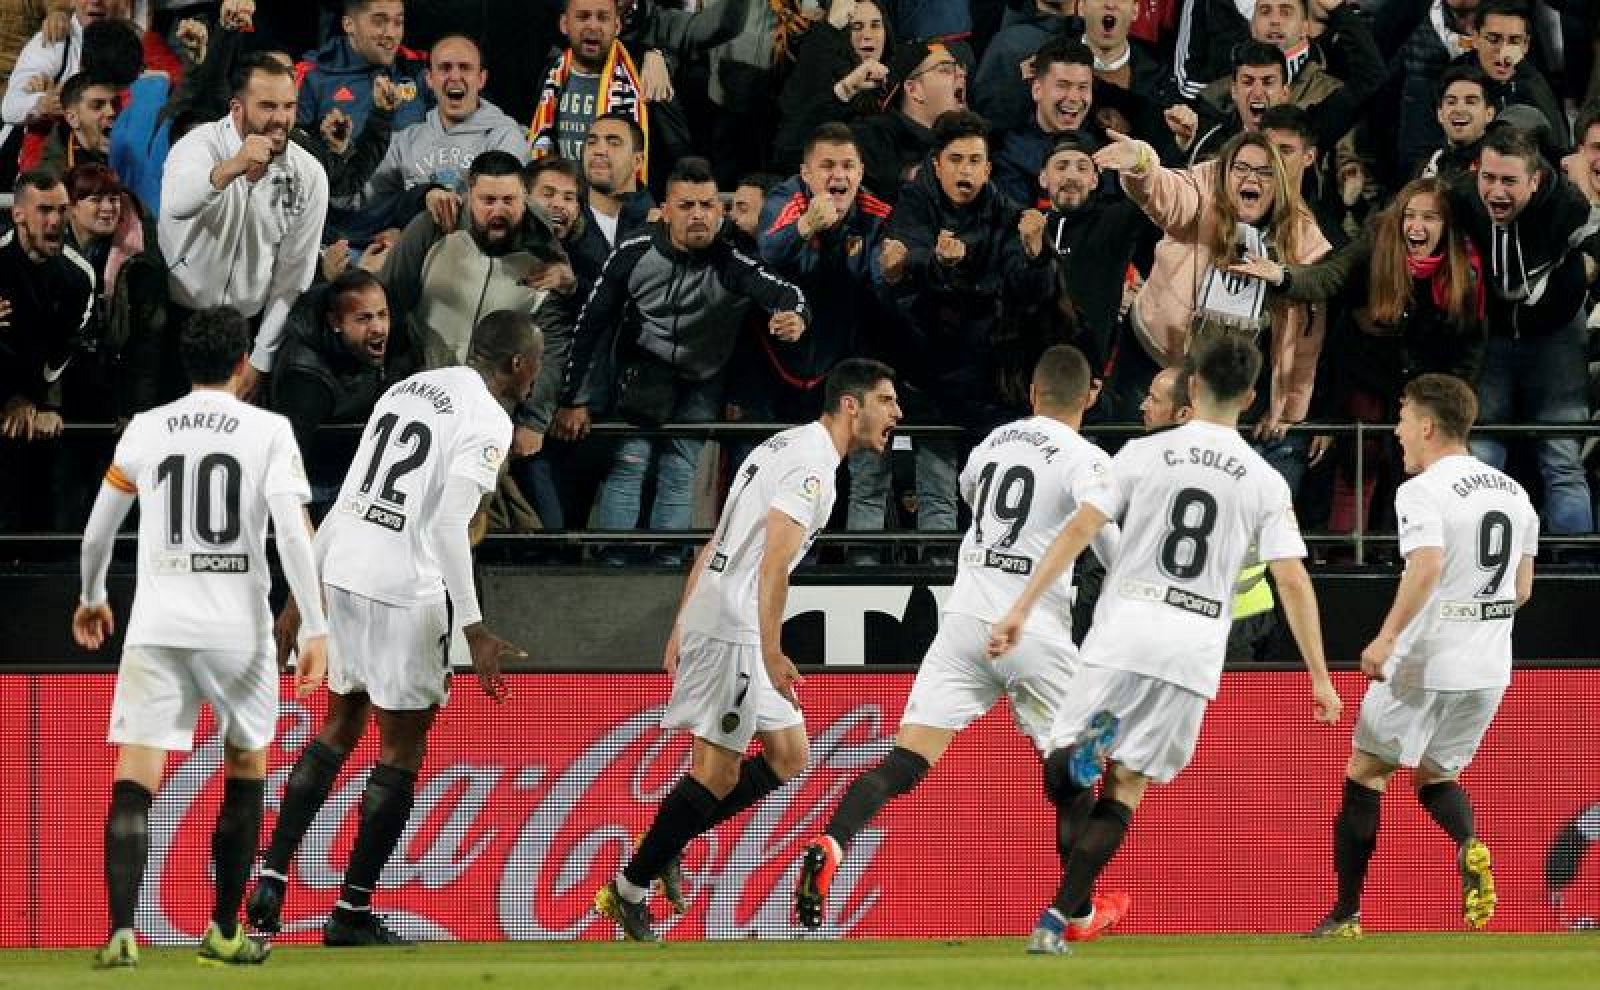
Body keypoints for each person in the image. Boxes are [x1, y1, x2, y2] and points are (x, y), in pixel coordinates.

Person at [987, 334, 1342, 956]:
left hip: (1124, 629)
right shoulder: (1264, 480)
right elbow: (1291, 578)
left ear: (1194, 387)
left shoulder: (1141, 455)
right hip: (1195, 645)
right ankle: (1054, 922)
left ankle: (1077, 763)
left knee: (1064, 775)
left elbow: (1080, 528)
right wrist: (1319, 675)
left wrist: (1020, 607)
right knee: (1127, 788)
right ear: (1252, 397)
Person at [793, 345, 1130, 943]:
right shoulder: (1086, 456)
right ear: (1089, 397)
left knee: (907, 759)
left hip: (964, 620)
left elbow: (977, 498)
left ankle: (832, 841)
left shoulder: (995, 443)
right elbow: (1097, 526)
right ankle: (1075, 913)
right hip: (1033, 629)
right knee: (1076, 772)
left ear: (1031, 393)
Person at [247, 309, 540, 946]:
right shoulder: (489, 418)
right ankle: (350, 912)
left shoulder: (405, 389)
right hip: (407, 590)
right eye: (536, 361)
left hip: (346, 570)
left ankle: (270, 875)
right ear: (520, 365)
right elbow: (445, 528)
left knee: (337, 726)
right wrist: (477, 627)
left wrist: (300, 604)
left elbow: (350, 496)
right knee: (400, 750)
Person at [593, 357, 903, 941]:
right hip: (737, 627)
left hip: (721, 614)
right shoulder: (812, 468)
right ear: (850, 404)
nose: (897, 413)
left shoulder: (779, 446)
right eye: (887, 400)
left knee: (789, 754)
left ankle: (667, 844)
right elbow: (773, 566)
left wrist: (684, 620)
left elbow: (716, 539)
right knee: (713, 774)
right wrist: (770, 649)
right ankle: (630, 890)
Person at [73, 305, 330, 968]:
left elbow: (99, 530)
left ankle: (121, 932)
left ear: (185, 363)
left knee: (137, 776)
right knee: (246, 770)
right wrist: (317, 628)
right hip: (237, 630)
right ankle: (221, 932)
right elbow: (292, 535)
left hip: (158, 626)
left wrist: (94, 596)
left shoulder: (146, 430)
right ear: (244, 364)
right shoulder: (270, 429)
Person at [1307, 373, 1537, 937]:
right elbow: (1523, 587)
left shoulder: (1421, 491)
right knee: (1435, 776)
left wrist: (1386, 637)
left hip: (1426, 662)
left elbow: (1427, 564)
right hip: (1488, 668)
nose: (1398, 430)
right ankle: (1470, 842)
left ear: (1430, 426)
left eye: (1404, 418)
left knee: (1366, 773)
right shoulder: (1513, 491)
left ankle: (1345, 915)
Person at [552, 156, 809, 544]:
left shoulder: (732, 261)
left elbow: (786, 293)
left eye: (707, 206)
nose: (698, 216)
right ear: (666, 211)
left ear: (720, 212)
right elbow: (591, 323)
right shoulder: (634, 251)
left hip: (702, 378)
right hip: (641, 368)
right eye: (687, 206)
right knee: (630, 465)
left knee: (678, 470)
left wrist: (796, 316)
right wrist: (573, 398)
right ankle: (613, 567)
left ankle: (668, 567)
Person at [158, 51, 330, 398]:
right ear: (237, 109)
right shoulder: (198, 147)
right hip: (180, 320)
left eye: (289, 106)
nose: (281, 119)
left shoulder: (309, 175)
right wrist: (232, 167)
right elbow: (177, 204)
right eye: (268, 106)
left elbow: (294, 276)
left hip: (245, 328)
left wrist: (261, 358)